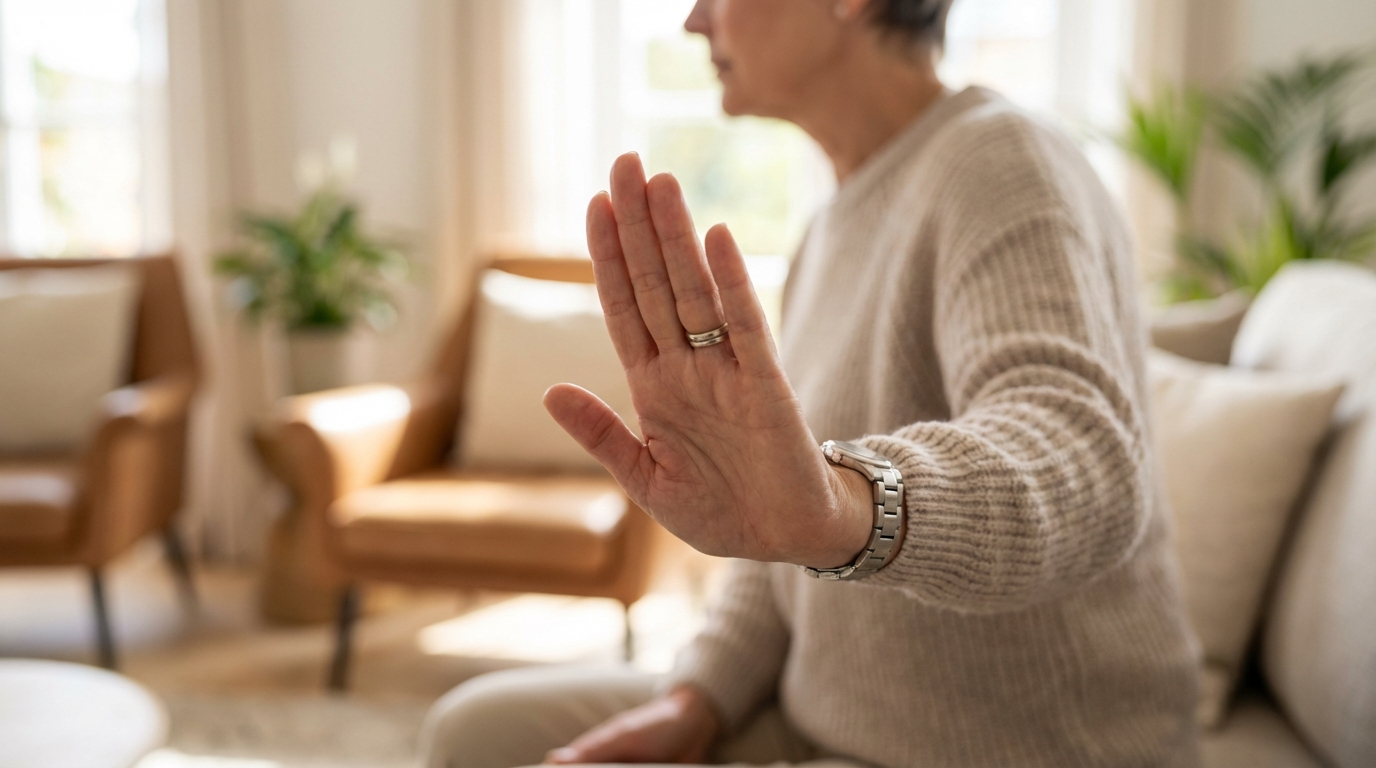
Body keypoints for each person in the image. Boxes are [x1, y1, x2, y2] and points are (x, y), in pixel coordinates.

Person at [422, 0, 1200, 765]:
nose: (694, 21)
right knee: (475, 734)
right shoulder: (828, 227)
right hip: (821, 715)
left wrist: (848, 505)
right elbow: (786, 533)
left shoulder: (1001, 162)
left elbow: (1085, 456)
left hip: (1020, 746)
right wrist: (698, 699)